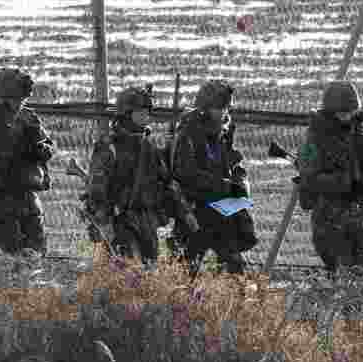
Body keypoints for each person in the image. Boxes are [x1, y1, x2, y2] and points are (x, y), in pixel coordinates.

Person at [83, 85, 193, 268]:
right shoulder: (110, 146)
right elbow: (97, 189)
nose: (146, 116)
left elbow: (167, 181)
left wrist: (184, 211)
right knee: (128, 269)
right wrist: (103, 222)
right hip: (121, 220)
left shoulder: (150, 146)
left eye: (147, 111)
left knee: (150, 269)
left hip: (147, 219)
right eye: (140, 111)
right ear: (126, 113)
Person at [298, 80, 363, 281]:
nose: (347, 117)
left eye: (350, 112)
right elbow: (309, 175)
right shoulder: (315, 138)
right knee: (341, 274)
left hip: (359, 218)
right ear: (330, 112)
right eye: (342, 112)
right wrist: (344, 183)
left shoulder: (360, 135)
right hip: (329, 220)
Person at [0, 67, 55, 260]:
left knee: (37, 253)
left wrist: (39, 149)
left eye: (22, 99)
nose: (19, 104)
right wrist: (12, 155)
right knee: (12, 255)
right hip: (0, 199)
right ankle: (13, 288)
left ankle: (31, 287)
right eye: (15, 99)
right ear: (3, 97)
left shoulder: (29, 118)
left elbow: (48, 147)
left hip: (28, 196)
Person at [171, 80, 258, 277]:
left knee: (234, 268)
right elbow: (185, 174)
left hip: (223, 210)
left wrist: (240, 183)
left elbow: (234, 162)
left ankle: (235, 305)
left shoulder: (224, 132)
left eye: (227, 108)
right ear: (205, 109)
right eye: (219, 108)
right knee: (185, 271)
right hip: (195, 211)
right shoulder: (188, 133)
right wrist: (223, 185)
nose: (224, 113)